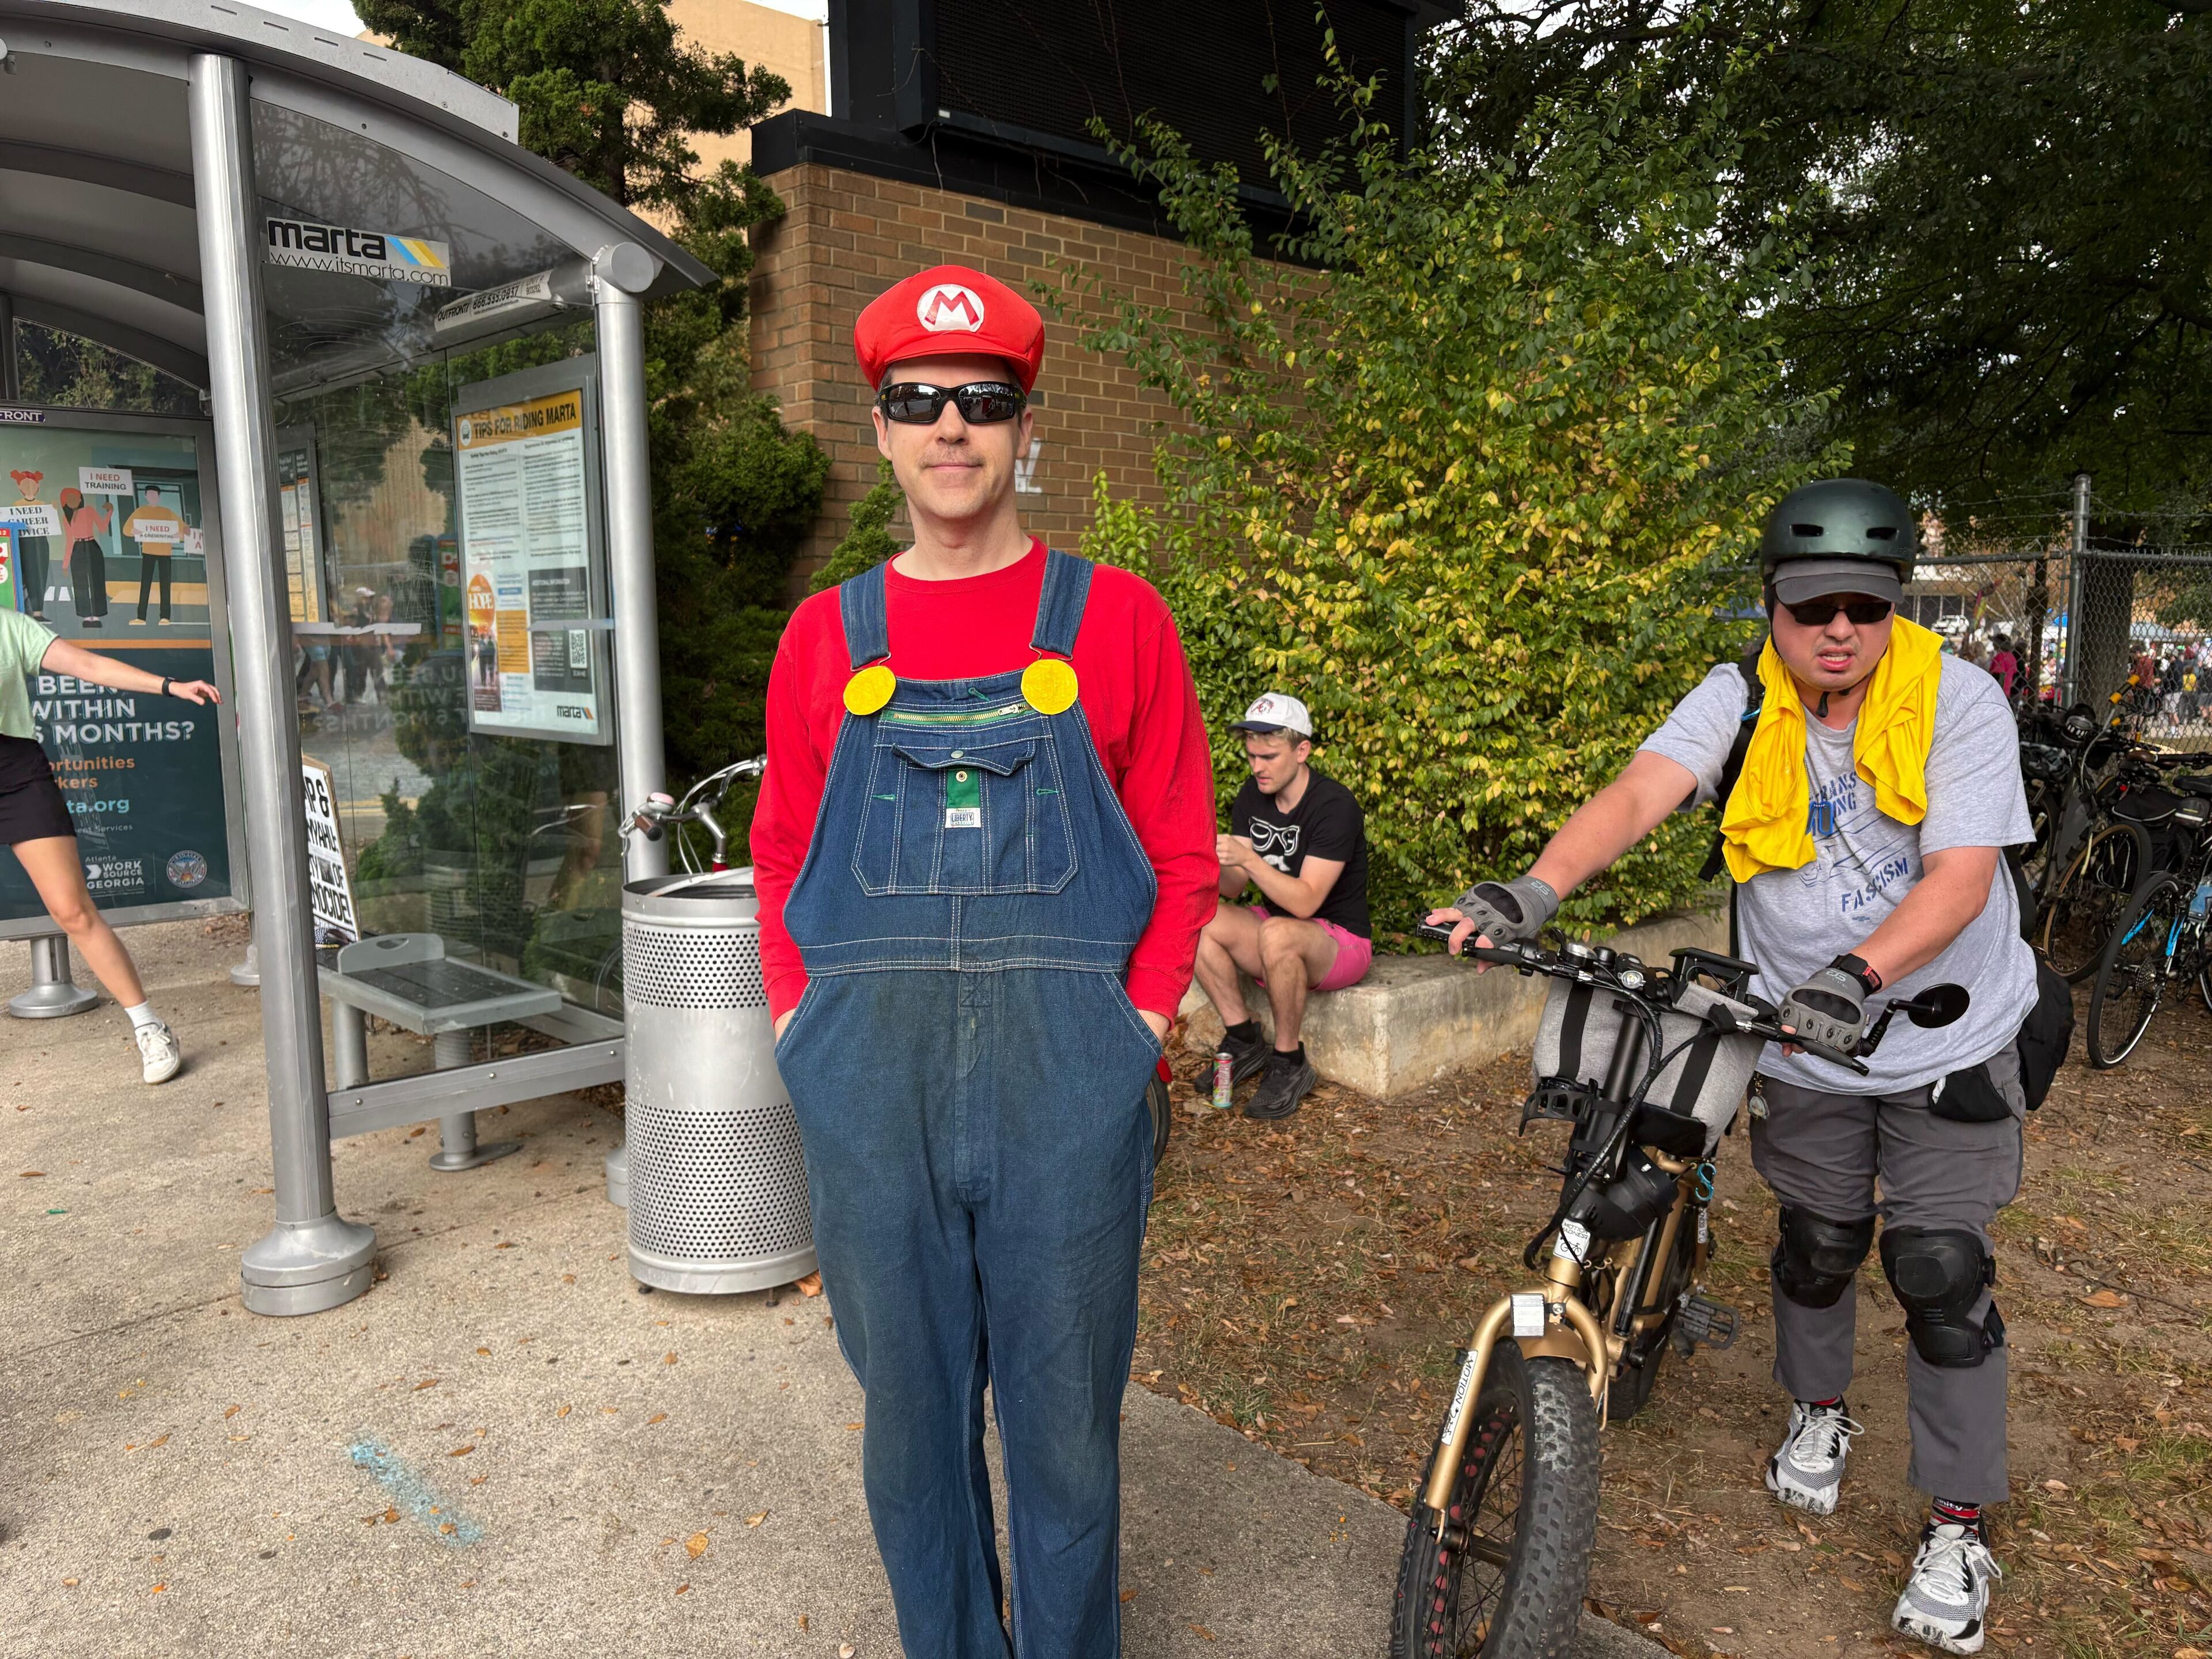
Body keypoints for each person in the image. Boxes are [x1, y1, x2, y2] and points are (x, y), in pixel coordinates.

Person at [1429, 479, 2038, 1656]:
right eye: (1814, 606)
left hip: (1942, 1035)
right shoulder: (1741, 697)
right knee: (1814, 1248)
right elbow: (1642, 793)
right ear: (1772, 603)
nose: (1840, 629)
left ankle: (1958, 1520)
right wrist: (1538, 888)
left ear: (1897, 606)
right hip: (1801, 1038)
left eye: (1866, 604)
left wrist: (1859, 975)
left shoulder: (1957, 699)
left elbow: (1961, 876)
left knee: (1940, 1270)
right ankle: (1820, 1414)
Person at [750, 263, 1214, 1659]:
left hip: (1069, 1083)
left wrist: (1131, 1023)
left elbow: (1183, 855)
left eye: (981, 400)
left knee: (1065, 1424)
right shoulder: (825, 637)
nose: (951, 426)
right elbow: (779, 853)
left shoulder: (1118, 617)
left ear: (1024, 427)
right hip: (866, 1084)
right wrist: (797, 1028)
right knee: (909, 1420)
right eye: (918, 401)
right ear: (879, 430)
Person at [0, 603, 219, 1081]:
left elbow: (89, 666)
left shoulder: (10, 627)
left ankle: (150, 1027)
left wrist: (169, 686)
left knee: (72, 911)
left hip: (13, 772)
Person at [1190, 691, 1372, 1119]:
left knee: (1279, 932)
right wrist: (1210, 858)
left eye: (1269, 756)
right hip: (1279, 930)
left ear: (1302, 750)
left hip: (1340, 941)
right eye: (1252, 756)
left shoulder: (1335, 806)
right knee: (1200, 919)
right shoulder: (1253, 795)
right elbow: (1234, 887)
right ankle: (1243, 1038)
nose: (1257, 767)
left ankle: (1289, 1062)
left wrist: (1250, 858)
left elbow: (1307, 902)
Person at [123, 483, 183, 626]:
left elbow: (184, 530)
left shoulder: (167, 512)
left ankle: (165, 617)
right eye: (149, 495)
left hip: (165, 553)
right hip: (148, 552)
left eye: (155, 495)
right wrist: (134, 531)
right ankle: (141, 617)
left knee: (165, 585)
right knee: (145, 585)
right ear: (146, 497)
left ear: (159, 497)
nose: (152, 497)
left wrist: (178, 535)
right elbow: (126, 529)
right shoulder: (141, 511)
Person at [59, 487, 111, 628]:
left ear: (81, 499)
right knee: (80, 583)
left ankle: (98, 615)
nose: (74, 501)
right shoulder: (66, 518)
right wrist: (65, 563)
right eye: (69, 500)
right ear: (65, 503)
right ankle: (86, 616)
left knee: (97, 581)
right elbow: (69, 540)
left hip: (92, 546)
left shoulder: (89, 510)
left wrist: (110, 512)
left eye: (76, 498)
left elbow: (102, 528)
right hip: (77, 548)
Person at [1986, 634, 2019, 703]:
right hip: (2007, 691)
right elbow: (2015, 674)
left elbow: (1998, 675)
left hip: (1998, 693)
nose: (1993, 644)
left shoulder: (2000, 657)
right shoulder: (2011, 657)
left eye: (1995, 642)